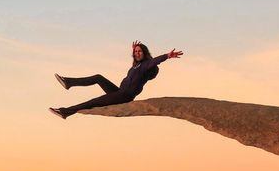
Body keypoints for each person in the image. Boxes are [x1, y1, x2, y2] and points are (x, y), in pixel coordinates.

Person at [49, 41, 183, 119]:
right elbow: (137, 61)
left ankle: (65, 112)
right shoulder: (136, 66)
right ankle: (68, 82)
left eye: (140, 51)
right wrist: (134, 51)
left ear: (145, 53)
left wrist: (167, 56)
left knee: (94, 101)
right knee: (98, 78)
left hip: (124, 96)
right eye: (135, 52)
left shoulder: (145, 66)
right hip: (119, 91)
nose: (137, 53)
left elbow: (154, 62)